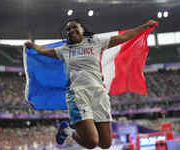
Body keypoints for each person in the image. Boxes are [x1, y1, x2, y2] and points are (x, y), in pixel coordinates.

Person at [25, 18, 157, 149]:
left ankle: (67, 129)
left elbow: (123, 37)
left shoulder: (95, 42)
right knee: (92, 142)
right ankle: (68, 131)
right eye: (68, 29)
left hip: (99, 94)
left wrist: (144, 26)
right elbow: (44, 51)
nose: (71, 30)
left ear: (82, 29)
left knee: (105, 144)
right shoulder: (64, 49)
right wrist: (33, 46)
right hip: (78, 94)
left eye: (74, 27)